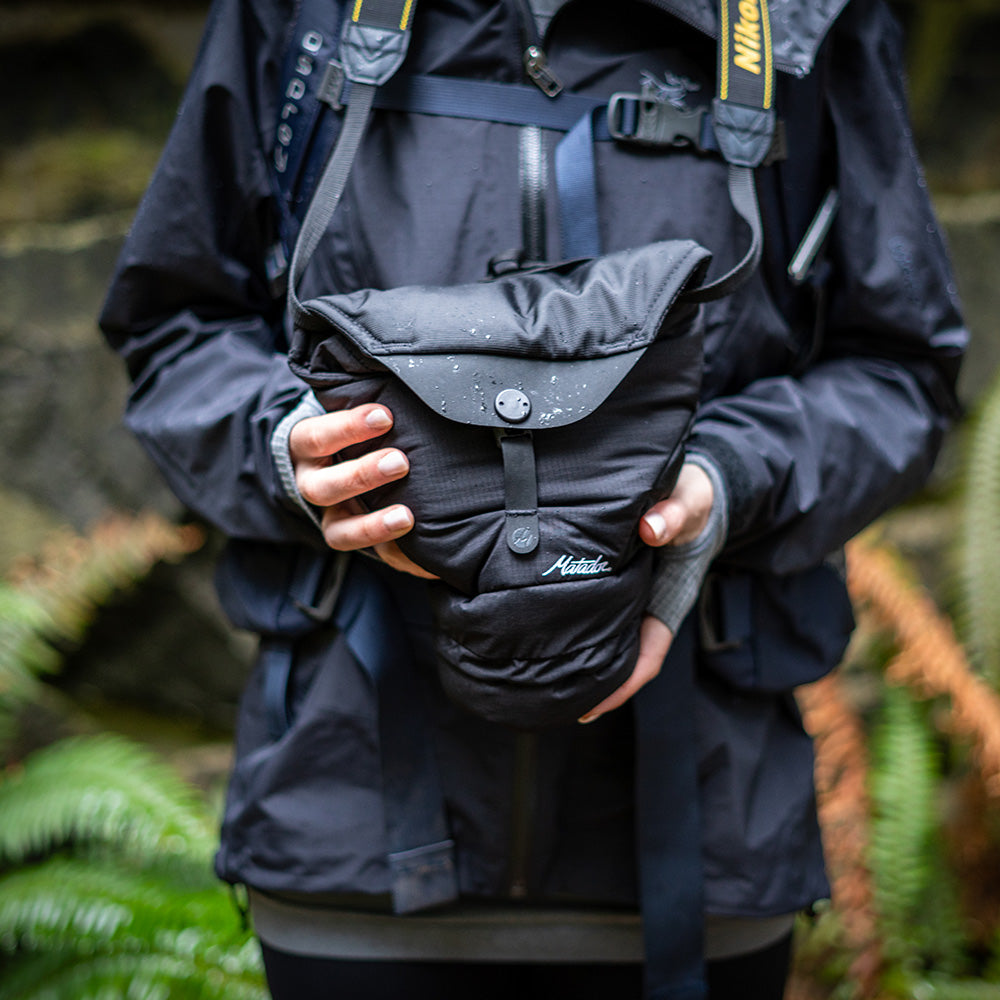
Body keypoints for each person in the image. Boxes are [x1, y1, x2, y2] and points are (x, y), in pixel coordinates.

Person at [100, 0, 967, 997]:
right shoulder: (301, 16)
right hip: (355, 828)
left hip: (698, 835)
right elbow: (177, 326)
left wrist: (723, 477)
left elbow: (897, 369)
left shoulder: (794, 20)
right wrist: (290, 448)